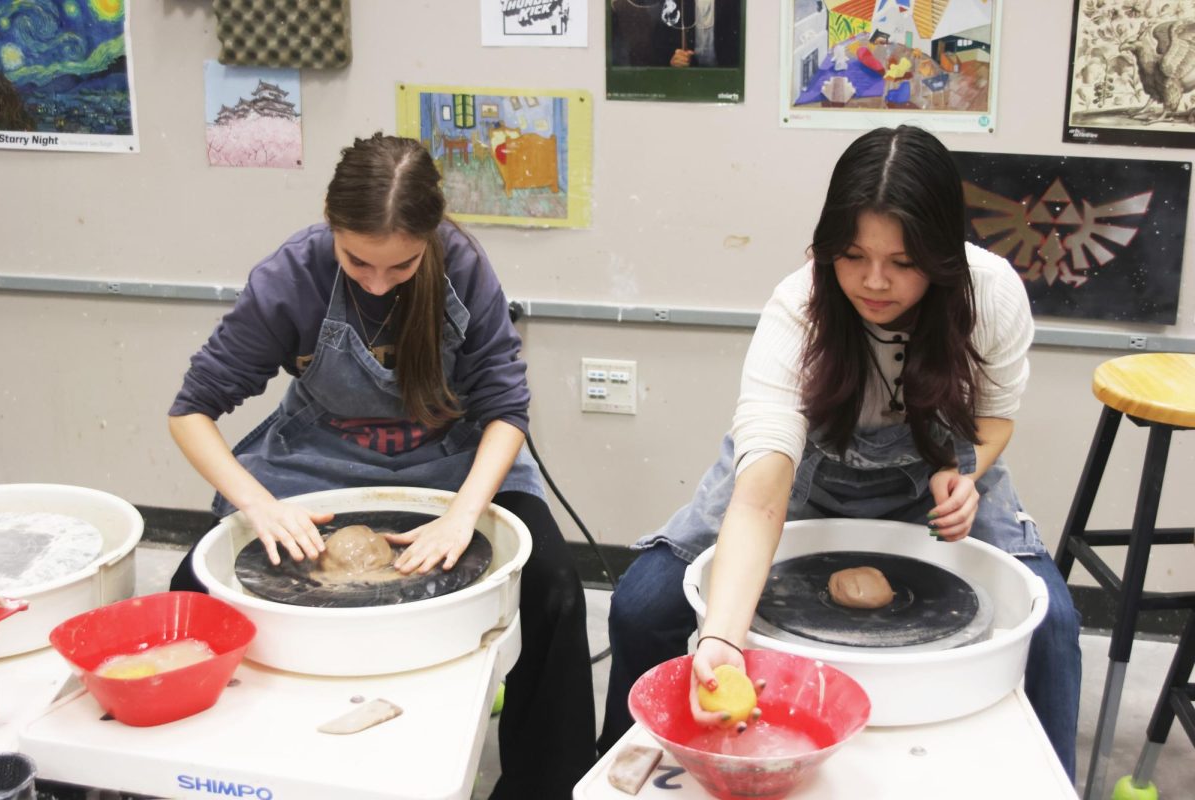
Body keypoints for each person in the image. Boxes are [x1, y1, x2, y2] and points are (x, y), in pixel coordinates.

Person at [598, 125, 1083, 781]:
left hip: (935, 469)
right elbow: (762, 494)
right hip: (801, 477)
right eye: (853, 256)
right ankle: (622, 773)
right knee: (643, 602)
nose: (875, 282)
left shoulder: (989, 294)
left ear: (940, 256)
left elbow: (994, 420)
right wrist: (720, 640)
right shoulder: (798, 310)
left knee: (1051, 628)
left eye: (904, 263)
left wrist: (964, 474)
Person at [167, 134, 596, 799]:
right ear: (332, 227)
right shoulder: (293, 275)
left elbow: (507, 411)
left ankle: (545, 788)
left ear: (429, 238)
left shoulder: (463, 269)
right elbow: (190, 412)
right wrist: (258, 504)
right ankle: (216, 773)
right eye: (358, 261)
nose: (376, 281)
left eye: (400, 267)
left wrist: (463, 515)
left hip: (455, 460)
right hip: (317, 460)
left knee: (554, 587)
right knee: (193, 582)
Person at [609, 0, 741, 69]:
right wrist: (672, 61)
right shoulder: (673, 4)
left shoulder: (736, 4)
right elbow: (659, 48)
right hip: (687, 80)